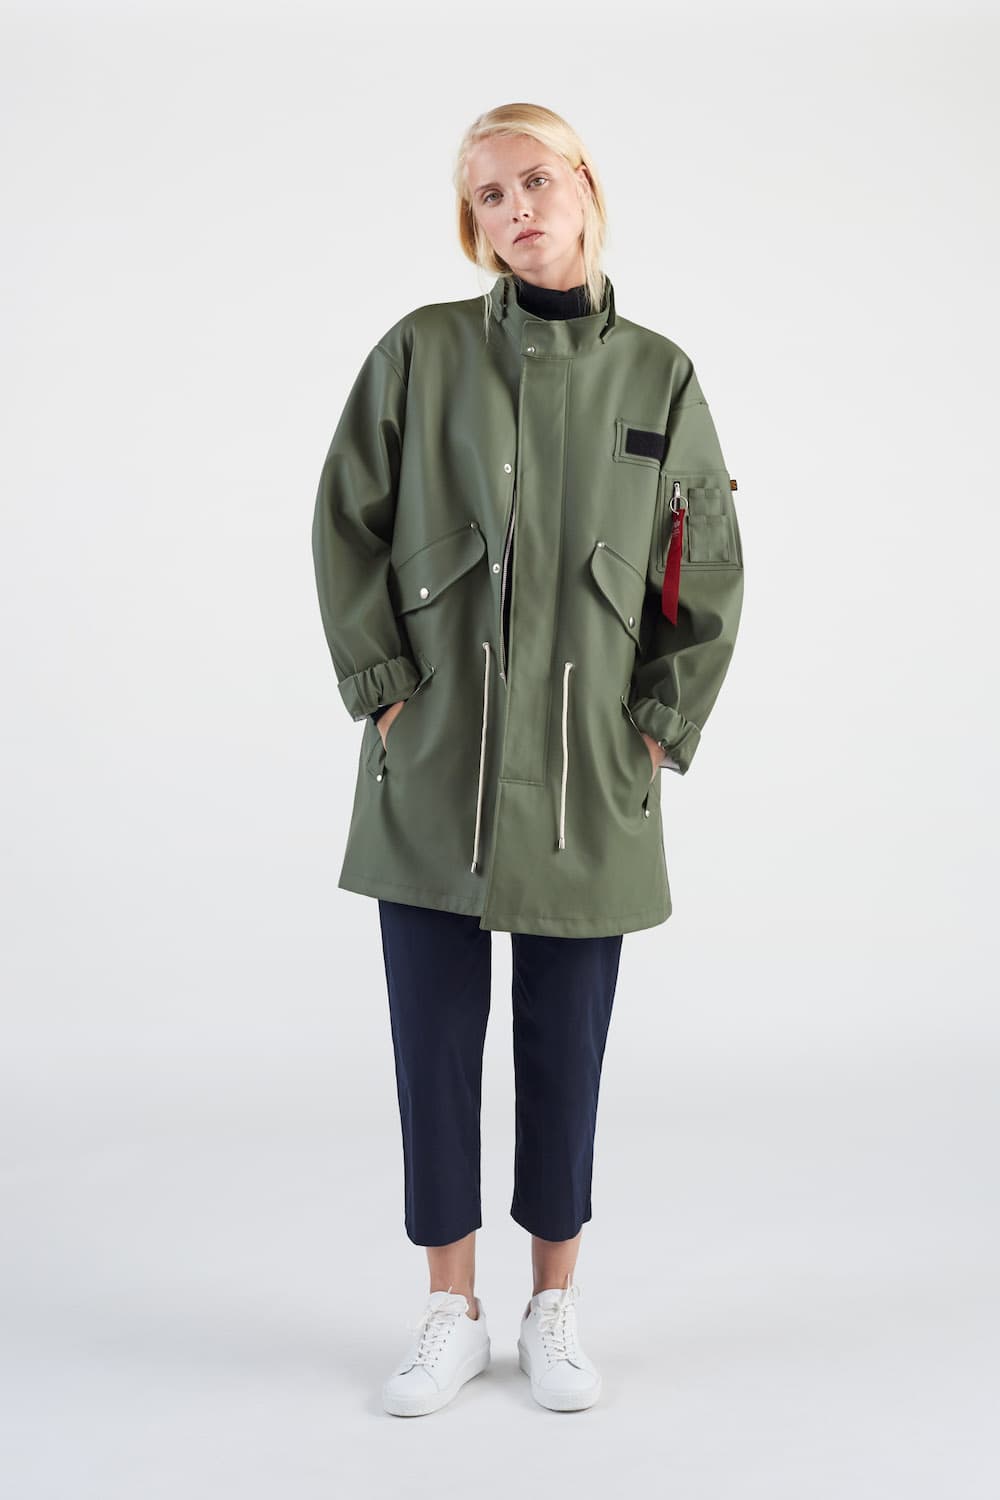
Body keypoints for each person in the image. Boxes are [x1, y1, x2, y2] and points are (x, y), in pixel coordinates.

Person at [311, 103, 745, 1417]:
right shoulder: (422, 352)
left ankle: (554, 1305)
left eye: (534, 181)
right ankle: (449, 1307)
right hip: (438, 759)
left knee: (567, 1048)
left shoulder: (659, 377)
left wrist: (660, 722)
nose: (516, 212)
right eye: (489, 197)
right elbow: (346, 521)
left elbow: (703, 564)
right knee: (433, 1043)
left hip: (583, 771)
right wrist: (385, 690)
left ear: (585, 187)